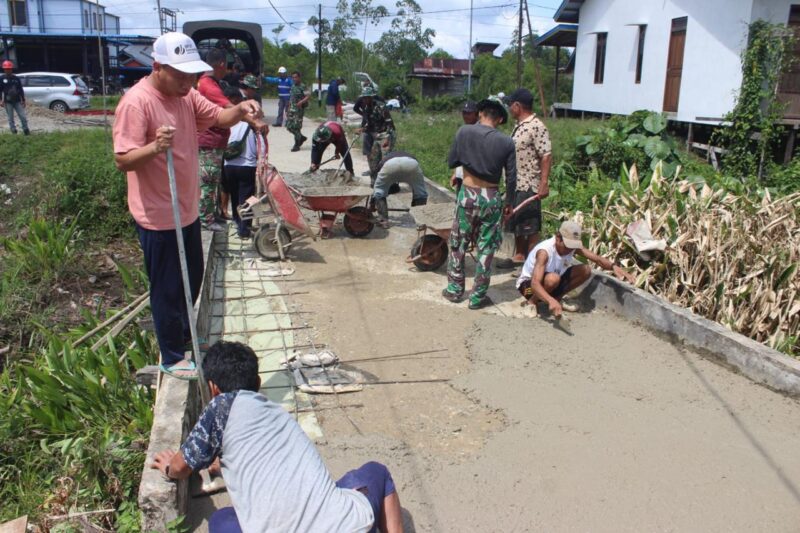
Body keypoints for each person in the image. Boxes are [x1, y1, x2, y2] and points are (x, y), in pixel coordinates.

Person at [112, 32, 265, 380]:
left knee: (191, 278)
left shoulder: (186, 96)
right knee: (167, 287)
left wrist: (241, 110)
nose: (187, 83)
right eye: (180, 75)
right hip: (157, 214)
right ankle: (171, 354)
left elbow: (218, 118)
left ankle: (184, 336)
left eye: (191, 75)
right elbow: (123, 160)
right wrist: (154, 148)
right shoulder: (137, 103)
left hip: (186, 209)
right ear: (158, 67)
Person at [151, 341, 404, 533]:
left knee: (220, 521)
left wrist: (168, 467)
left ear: (213, 388)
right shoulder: (274, 413)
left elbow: (181, 467)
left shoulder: (220, 407)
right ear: (258, 383)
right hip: (344, 527)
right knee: (376, 473)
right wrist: (223, 467)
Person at [442, 97, 516, 310]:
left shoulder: (464, 132)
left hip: (468, 194)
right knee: (486, 249)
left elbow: (452, 162)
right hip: (492, 198)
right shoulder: (506, 142)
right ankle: (477, 298)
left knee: (458, 244)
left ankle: (455, 291)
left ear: (480, 113)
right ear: (500, 119)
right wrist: (509, 203)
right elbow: (511, 178)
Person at [196, 48, 267, 231]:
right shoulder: (208, 85)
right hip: (208, 142)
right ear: (221, 64)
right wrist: (255, 122)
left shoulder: (215, 83)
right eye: (226, 66)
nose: (227, 69)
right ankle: (206, 219)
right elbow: (230, 108)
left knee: (216, 182)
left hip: (217, 142)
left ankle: (214, 215)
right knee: (209, 182)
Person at [516, 220, 636, 317]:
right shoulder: (544, 252)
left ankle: (557, 299)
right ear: (558, 238)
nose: (570, 250)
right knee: (553, 278)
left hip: (552, 280)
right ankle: (531, 303)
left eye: (573, 246)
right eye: (568, 245)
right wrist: (549, 301)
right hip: (528, 286)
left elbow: (597, 259)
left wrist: (614, 267)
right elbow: (535, 283)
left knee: (585, 270)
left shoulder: (572, 247)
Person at [496, 88, 552, 270]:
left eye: (511, 105)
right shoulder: (520, 126)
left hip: (529, 184)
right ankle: (519, 257)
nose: (510, 109)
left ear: (518, 106)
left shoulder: (537, 126)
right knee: (517, 222)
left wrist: (543, 183)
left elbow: (546, 155)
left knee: (529, 225)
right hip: (516, 184)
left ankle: (532, 266)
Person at [224, 88, 266, 240]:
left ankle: (237, 221)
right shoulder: (255, 125)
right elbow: (261, 147)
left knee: (235, 196)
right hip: (246, 166)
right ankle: (244, 229)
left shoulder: (231, 121)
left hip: (229, 165)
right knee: (247, 199)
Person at [371, 148, 428, 228]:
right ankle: (421, 222)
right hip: (411, 164)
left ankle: (383, 221)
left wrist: (373, 201)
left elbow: (376, 175)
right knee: (420, 193)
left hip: (390, 165)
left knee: (379, 191)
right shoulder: (409, 155)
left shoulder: (385, 159)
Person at [355, 87, 396, 184]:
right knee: (373, 158)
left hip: (385, 134)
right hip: (376, 135)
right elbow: (369, 123)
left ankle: (389, 183)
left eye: (367, 97)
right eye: (364, 98)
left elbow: (390, 124)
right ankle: (374, 182)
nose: (365, 100)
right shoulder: (366, 108)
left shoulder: (381, 107)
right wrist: (362, 129)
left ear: (372, 97)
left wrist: (387, 138)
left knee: (385, 160)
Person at [449, 100, 478, 189]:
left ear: (476, 114)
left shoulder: (479, 131)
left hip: (474, 176)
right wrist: (456, 172)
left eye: (469, 113)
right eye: (464, 113)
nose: (465, 116)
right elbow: (459, 155)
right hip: (461, 174)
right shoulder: (463, 129)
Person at [1, 60, 30, 135]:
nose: (8, 70)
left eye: (9, 69)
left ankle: (26, 130)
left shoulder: (16, 78)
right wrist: (0, 100)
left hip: (17, 101)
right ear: (4, 69)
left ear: (11, 69)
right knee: (10, 118)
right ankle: (13, 131)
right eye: (6, 69)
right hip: (8, 102)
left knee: (23, 116)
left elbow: (20, 89)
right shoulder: (1, 79)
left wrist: (23, 100)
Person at [286, 71, 310, 152]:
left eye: (296, 77)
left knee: (296, 127)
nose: (294, 79)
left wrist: (301, 102)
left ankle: (297, 145)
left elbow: (307, 96)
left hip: (299, 110)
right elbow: (291, 98)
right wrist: (288, 109)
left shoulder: (303, 86)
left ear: (299, 77)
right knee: (289, 126)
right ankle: (301, 137)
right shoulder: (293, 86)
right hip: (292, 109)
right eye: (293, 77)